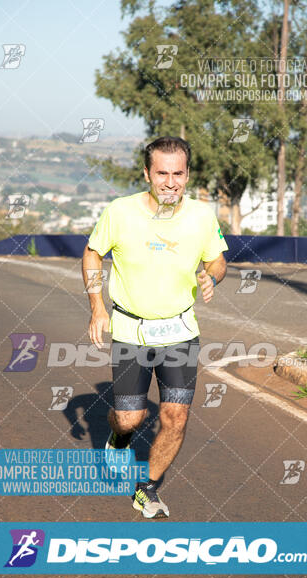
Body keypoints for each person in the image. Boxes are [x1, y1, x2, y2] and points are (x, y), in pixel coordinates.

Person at [82, 136, 228, 518]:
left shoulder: (201, 215)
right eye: (161, 172)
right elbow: (93, 253)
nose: (169, 181)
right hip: (131, 331)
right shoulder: (120, 212)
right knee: (132, 417)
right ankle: (120, 436)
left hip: (180, 331)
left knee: (175, 416)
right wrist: (98, 306)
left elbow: (218, 260)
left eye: (177, 173)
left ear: (187, 175)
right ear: (147, 173)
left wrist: (212, 275)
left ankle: (146, 487)